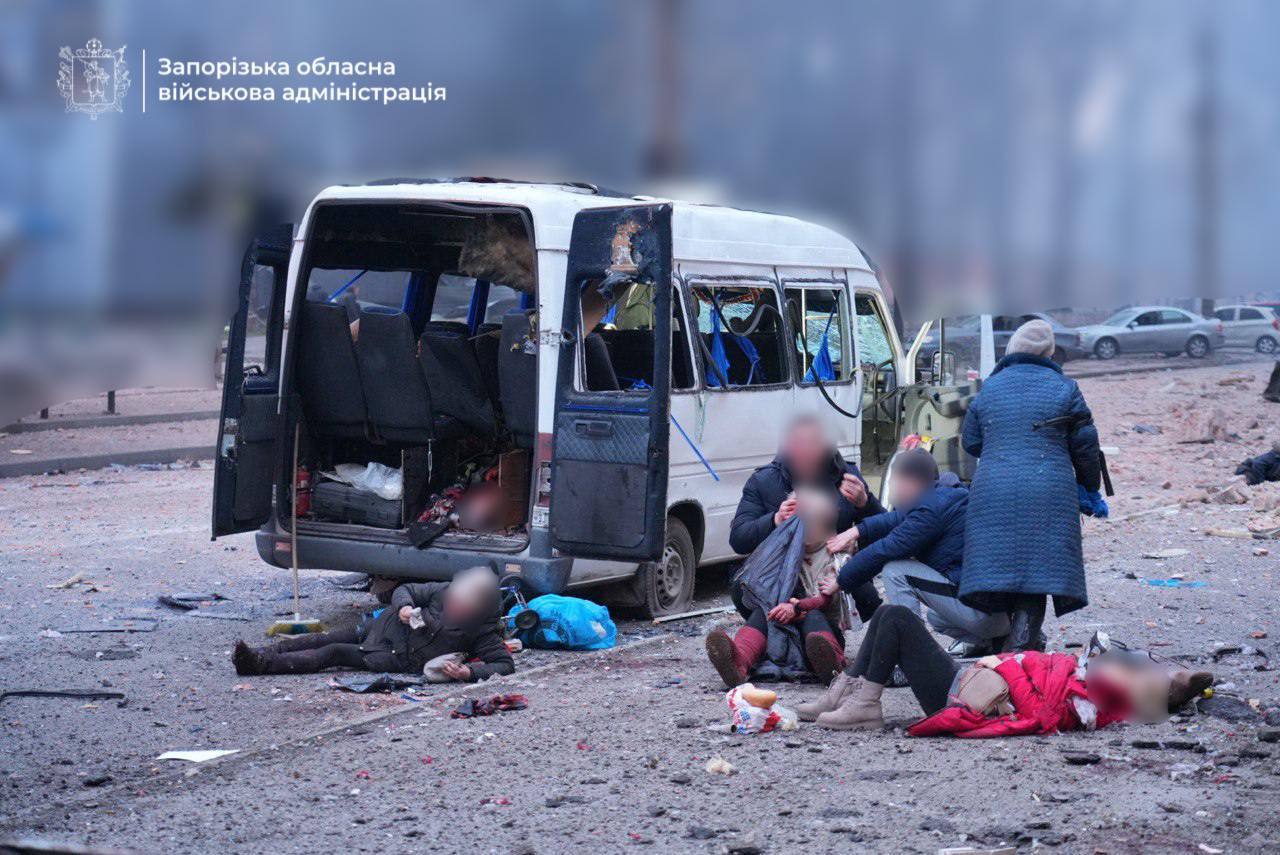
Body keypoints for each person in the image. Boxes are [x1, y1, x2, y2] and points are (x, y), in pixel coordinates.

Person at [797, 604, 1213, 733]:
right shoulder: (1090, 681)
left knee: (897, 618)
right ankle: (844, 695)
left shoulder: (1096, 695)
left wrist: (1005, 666)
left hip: (967, 691)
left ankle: (864, 702)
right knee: (891, 612)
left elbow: (1034, 709)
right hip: (975, 676)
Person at [958, 318, 1101, 651]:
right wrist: (1089, 488)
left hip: (993, 490)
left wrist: (1003, 446)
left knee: (1003, 570)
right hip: (1048, 489)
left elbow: (971, 441)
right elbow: (1086, 448)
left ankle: (1013, 651)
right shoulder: (1065, 388)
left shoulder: (989, 388)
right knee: (1036, 575)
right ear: (1049, 352)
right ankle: (1019, 654)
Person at [824, 448, 1009, 655]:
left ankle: (914, 655)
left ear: (909, 482)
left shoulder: (931, 510)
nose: (893, 488)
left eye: (894, 481)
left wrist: (840, 581)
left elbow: (886, 549)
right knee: (937, 618)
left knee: (896, 571)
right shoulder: (944, 496)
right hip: (999, 611)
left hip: (986, 613)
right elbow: (895, 519)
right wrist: (857, 531)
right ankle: (993, 643)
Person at [231, 567, 514, 682]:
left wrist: (469, 672)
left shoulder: (482, 630)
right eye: (453, 599)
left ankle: (257, 666)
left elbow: (504, 665)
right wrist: (402, 607)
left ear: (475, 609)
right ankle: (262, 652)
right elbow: (408, 590)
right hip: (386, 626)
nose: (452, 605)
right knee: (325, 638)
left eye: (459, 606)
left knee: (334, 652)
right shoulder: (444, 590)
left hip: (393, 656)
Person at [730, 414, 884, 619]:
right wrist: (775, 520)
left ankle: (829, 634)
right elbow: (739, 539)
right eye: (798, 444)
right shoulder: (764, 480)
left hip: (832, 568)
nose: (806, 451)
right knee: (742, 590)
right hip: (782, 570)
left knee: (867, 595)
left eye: (814, 443)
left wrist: (866, 503)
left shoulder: (847, 474)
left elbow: (888, 533)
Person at [706, 489, 851, 687]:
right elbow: (754, 581)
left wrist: (797, 608)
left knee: (813, 617)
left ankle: (833, 663)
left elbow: (825, 599)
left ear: (824, 524)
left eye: (807, 523)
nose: (800, 528)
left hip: (818, 633)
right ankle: (737, 663)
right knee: (762, 614)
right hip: (780, 632)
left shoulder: (836, 557)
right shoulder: (782, 549)